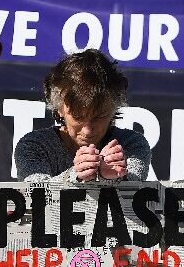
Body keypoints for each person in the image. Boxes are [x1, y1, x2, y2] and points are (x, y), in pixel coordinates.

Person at [15, 49, 150, 182]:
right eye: (78, 117)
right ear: (59, 108)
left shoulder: (132, 144)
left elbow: (135, 185)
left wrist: (114, 177)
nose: (88, 130)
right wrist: (75, 175)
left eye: (99, 117)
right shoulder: (34, 146)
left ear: (114, 109)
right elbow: (35, 194)